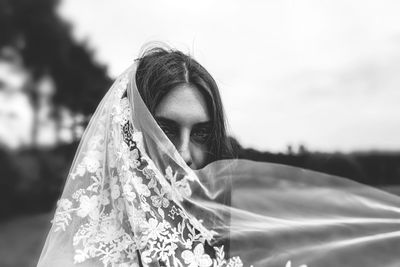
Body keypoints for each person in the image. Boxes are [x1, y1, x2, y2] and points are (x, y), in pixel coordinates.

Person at [37, 45, 400, 267]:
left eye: (200, 133)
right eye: (164, 130)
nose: (183, 154)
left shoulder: (216, 239)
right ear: (128, 136)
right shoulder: (75, 260)